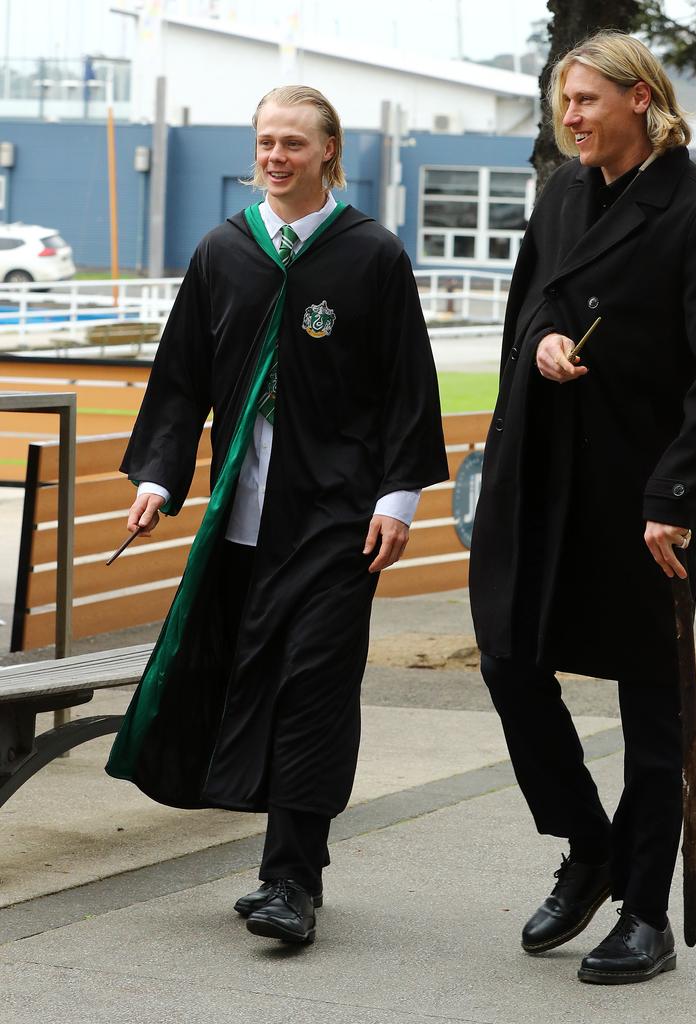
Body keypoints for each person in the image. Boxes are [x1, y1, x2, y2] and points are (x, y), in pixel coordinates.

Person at [106, 85, 448, 946]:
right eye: (266, 141)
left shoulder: (371, 255)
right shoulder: (225, 252)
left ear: (329, 152)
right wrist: (158, 479)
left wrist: (398, 500)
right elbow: (181, 377)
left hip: (338, 524)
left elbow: (410, 386)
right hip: (243, 523)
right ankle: (282, 862)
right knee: (248, 681)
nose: (276, 155)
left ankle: (290, 881)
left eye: (295, 142)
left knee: (315, 691)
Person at [469, 32, 696, 985]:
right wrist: (548, 339)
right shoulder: (560, 196)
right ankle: (587, 845)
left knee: (651, 706)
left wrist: (676, 495)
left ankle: (644, 910)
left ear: (643, 99)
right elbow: (531, 308)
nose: (572, 116)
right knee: (510, 660)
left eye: (589, 100)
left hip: (643, 501)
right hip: (541, 481)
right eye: (565, 101)